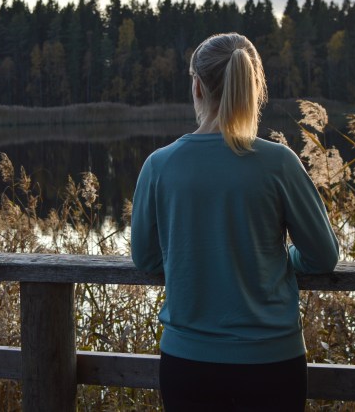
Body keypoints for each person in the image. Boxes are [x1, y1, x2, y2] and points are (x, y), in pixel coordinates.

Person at [131, 32, 339, 411]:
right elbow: (323, 257)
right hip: (271, 361)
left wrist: (193, 259)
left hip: (188, 362)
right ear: (252, 87)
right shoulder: (279, 163)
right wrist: (283, 259)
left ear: (196, 86)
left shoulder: (159, 166)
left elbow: (146, 260)